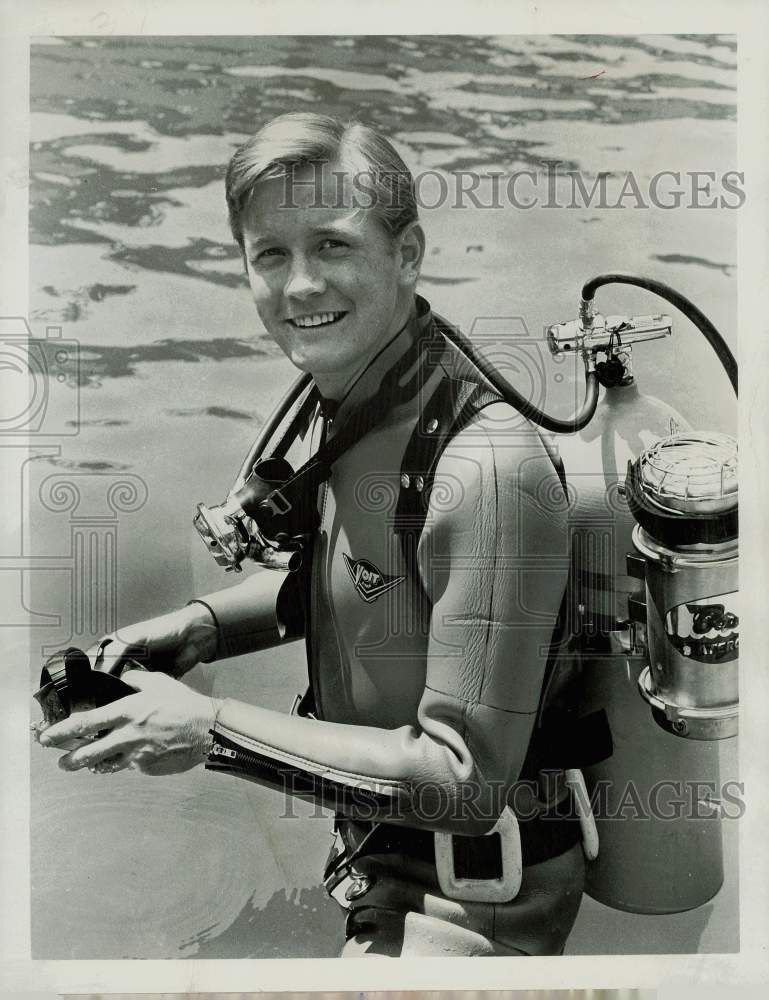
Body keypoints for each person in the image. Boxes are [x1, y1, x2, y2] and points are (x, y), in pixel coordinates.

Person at [37, 112, 586, 957]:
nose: (298, 287)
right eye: (270, 255)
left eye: (331, 246)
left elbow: (464, 780)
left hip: (475, 890)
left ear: (407, 253)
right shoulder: (360, 406)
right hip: (376, 847)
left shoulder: (485, 469)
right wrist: (201, 628)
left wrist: (208, 729)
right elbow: (365, 582)